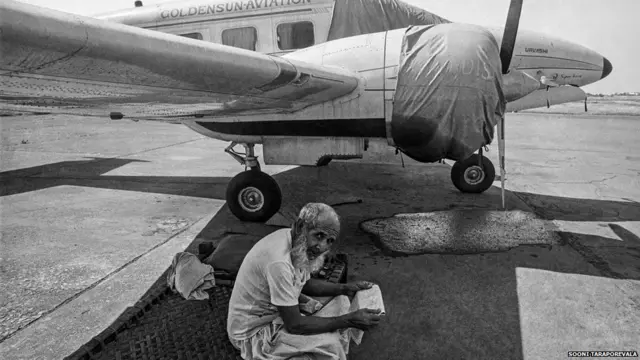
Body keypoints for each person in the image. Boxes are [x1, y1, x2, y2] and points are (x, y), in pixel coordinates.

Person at [227, 202, 383, 360]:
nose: (321, 247)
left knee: (341, 300)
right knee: (332, 345)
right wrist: (348, 320)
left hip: (277, 315)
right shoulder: (279, 261)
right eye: (319, 236)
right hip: (253, 333)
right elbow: (295, 324)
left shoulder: (294, 240)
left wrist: (345, 288)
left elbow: (305, 284)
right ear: (301, 226)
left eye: (329, 241)